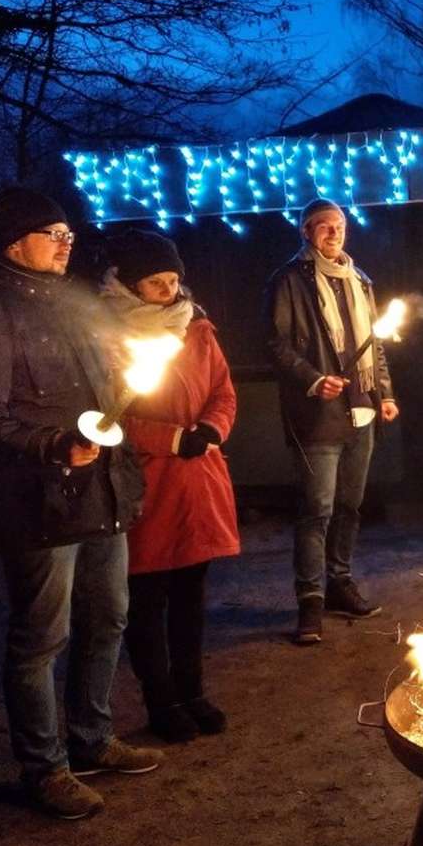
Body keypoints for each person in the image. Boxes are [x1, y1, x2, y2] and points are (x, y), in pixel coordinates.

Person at [0, 187, 161, 820]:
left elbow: (101, 392)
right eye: (54, 234)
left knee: (109, 617)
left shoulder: (75, 305)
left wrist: (123, 376)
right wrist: (52, 445)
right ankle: (44, 768)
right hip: (38, 502)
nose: (68, 243)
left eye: (70, 235)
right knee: (42, 638)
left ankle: (91, 739)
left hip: (101, 492)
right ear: (16, 243)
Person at [100, 228, 240, 742]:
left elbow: (223, 391)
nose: (168, 291)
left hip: (197, 478)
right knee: (147, 598)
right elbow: (104, 416)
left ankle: (193, 691)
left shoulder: (197, 328)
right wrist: (169, 437)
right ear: (129, 285)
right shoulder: (106, 336)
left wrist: (210, 429)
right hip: (146, 485)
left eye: (173, 280)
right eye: (156, 282)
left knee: (190, 594)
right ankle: (161, 702)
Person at [265, 198, 398, 644]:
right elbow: (277, 345)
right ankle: (311, 601)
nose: (333, 233)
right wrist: (313, 379)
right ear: (306, 232)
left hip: (361, 410)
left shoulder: (361, 280)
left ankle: (339, 582)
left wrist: (386, 393)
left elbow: (374, 345)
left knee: (348, 507)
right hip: (318, 415)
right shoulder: (289, 280)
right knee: (316, 510)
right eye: (322, 226)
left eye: (338, 225)